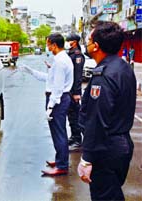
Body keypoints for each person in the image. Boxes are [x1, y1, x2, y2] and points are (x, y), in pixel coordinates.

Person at [78, 21, 135, 200]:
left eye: (88, 40)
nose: (86, 43)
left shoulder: (103, 76)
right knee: (112, 194)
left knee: (105, 196)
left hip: (106, 149)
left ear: (96, 46)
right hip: (121, 144)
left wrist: (87, 158)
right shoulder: (123, 67)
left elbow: (97, 120)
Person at [23, 33, 74, 176]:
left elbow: (57, 87)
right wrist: (32, 72)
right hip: (59, 98)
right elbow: (50, 79)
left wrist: (51, 106)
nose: (47, 47)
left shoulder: (60, 61)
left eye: (48, 44)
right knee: (58, 132)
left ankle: (62, 165)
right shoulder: (61, 59)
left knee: (59, 133)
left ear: (54, 45)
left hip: (58, 100)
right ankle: (60, 160)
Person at [65, 34, 85, 151]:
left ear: (75, 42)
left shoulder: (77, 55)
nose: (68, 42)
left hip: (73, 91)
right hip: (69, 89)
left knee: (75, 115)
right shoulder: (71, 53)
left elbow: (78, 76)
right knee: (71, 115)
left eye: (69, 40)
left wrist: (77, 93)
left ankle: (78, 139)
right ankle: (73, 136)